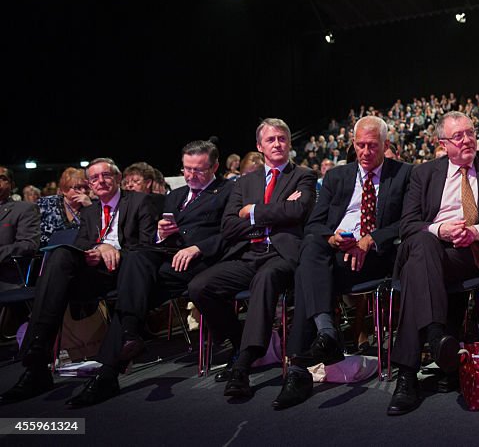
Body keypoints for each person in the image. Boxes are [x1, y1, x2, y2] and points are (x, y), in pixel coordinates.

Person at [66, 141, 233, 407]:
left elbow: (230, 232)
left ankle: (109, 370)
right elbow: (159, 239)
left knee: (132, 294)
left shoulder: (228, 190)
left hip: (204, 261)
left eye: (199, 170)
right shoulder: (176, 196)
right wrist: (162, 233)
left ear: (214, 166)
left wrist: (197, 246)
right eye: (186, 169)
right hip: (170, 260)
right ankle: (127, 341)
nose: (191, 176)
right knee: (136, 260)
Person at [274, 116, 411, 410]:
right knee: (312, 245)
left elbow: (408, 222)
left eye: (372, 146)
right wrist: (333, 238)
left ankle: (299, 369)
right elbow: (315, 224)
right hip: (337, 255)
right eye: (359, 145)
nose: (364, 152)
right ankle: (326, 332)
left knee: (305, 276)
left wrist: (371, 238)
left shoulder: (404, 174)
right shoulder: (337, 177)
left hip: (377, 256)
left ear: (386, 145)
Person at [0, 158, 156, 405]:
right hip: (97, 273)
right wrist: (96, 249)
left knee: (74, 268)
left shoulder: (139, 201)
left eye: (105, 176)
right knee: (60, 255)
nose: (100, 181)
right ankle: (37, 357)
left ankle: (103, 373)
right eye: (94, 178)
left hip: (128, 270)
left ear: (117, 178)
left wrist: (114, 250)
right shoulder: (91, 211)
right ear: (90, 185)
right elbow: (82, 244)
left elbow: (147, 248)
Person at [188, 119, 316, 400]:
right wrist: (274, 212)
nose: (277, 144)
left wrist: (253, 211)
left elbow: (298, 211)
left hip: (281, 255)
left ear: (289, 143)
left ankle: (243, 365)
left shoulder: (303, 176)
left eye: (282, 138)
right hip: (246, 254)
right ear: (260, 147)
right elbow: (229, 227)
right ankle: (242, 339)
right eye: (270, 140)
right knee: (200, 287)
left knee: (266, 278)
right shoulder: (245, 182)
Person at [386, 112, 479, 416]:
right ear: (442, 143)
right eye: (458, 136)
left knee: (418, 266)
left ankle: (409, 373)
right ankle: (437, 338)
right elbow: (408, 225)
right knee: (422, 247)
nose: (467, 140)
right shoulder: (424, 174)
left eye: (470, 133)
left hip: (469, 254)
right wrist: (440, 229)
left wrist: (474, 232)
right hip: (431, 249)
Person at [0, 166, 40, 289]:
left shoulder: (24, 209)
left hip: (7, 276)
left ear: (11, 184)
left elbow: (28, 245)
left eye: (2, 178)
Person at [35, 167, 90, 246]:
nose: (83, 191)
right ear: (65, 190)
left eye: (86, 187)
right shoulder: (45, 203)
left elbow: (95, 234)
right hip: (46, 252)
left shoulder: (93, 206)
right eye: (77, 187)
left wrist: (89, 207)